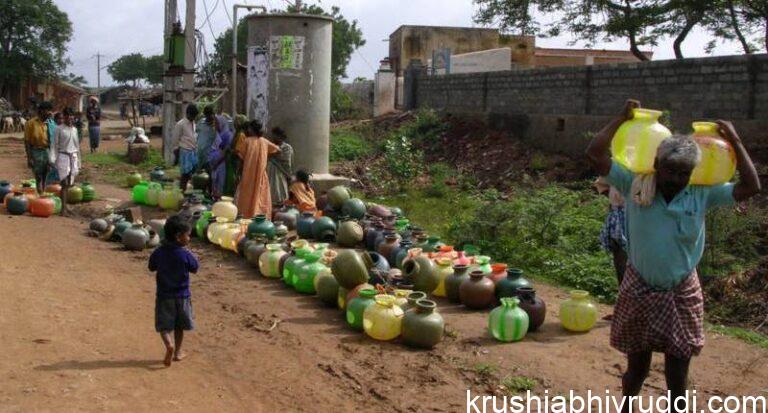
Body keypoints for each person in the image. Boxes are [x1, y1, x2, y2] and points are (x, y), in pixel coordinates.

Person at [585, 100, 761, 413]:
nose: (676, 179)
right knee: (636, 368)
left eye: (683, 173)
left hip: (682, 290)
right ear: (655, 163)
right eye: (670, 170)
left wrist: (734, 139)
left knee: (678, 374)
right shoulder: (635, 185)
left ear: (693, 173)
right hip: (639, 284)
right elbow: (595, 154)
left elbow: (752, 186)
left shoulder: (701, 193)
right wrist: (620, 118)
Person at [148, 216, 199, 367]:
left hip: (164, 296)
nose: (189, 238)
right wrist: (190, 254)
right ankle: (177, 352)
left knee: (164, 327)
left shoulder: (159, 252)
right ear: (178, 237)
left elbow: (151, 267)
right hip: (182, 297)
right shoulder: (185, 254)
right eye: (187, 235)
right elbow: (195, 268)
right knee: (179, 326)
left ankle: (168, 345)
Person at [234, 120, 280, 218]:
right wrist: (267, 157)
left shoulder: (247, 141)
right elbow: (278, 150)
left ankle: (246, 218)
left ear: (251, 129)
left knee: (246, 197)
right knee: (260, 197)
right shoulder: (265, 141)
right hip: (261, 175)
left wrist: (237, 173)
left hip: (247, 174)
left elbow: (241, 159)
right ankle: (260, 219)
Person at [594, 177, 628, 286]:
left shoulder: (643, 169)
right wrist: (613, 198)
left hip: (633, 216)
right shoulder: (617, 168)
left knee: (629, 257)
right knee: (619, 253)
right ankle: (623, 291)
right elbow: (601, 184)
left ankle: (626, 292)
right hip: (617, 215)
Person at [50, 107, 82, 216]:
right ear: (64, 117)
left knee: (69, 184)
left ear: (73, 117)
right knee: (64, 184)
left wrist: (79, 161)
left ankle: (66, 207)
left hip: (73, 157)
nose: (69, 118)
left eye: (71, 116)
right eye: (66, 116)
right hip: (63, 157)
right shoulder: (59, 129)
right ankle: (63, 209)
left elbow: (77, 146)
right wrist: (53, 160)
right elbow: (54, 145)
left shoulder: (75, 130)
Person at [23, 102, 53, 194]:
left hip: (47, 151)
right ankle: (40, 194)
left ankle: (43, 193)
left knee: (46, 174)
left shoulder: (50, 123)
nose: (49, 112)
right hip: (36, 151)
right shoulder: (31, 123)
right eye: (47, 110)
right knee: (38, 175)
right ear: (41, 111)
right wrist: (29, 157)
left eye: (50, 110)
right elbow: (27, 141)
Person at [172, 104, 199, 191]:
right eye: (192, 116)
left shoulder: (193, 123)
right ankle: (182, 194)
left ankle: (188, 192)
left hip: (193, 151)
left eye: (195, 116)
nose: (193, 118)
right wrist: (176, 154)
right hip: (185, 152)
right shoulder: (180, 124)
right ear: (187, 114)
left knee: (193, 174)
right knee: (185, 175)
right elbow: (175, 140)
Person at [267, 127, 294, 209]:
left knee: (279, 193)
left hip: (280, 173)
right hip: (270, 172)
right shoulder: (272, 146)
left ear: (280, 136)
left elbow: (287, 163)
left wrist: (289, 175)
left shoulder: (286, 148)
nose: (272, 137)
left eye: (274, 135)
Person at [208, 115, 234, 200]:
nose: (216, 124)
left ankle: (220, 202)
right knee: (214, 181)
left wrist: (217, 162)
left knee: (220, 182)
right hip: (215, 162)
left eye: (217, 123)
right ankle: (215, 199)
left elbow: (226, 150)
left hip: (221, 162)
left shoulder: (227, 135)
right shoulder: (217, 133)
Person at [196, 105, 217, 193]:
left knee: (210, 175)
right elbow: (196, 134)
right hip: (200, 153)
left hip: (210, 154)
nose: (209, 117)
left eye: (211, 115)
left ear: (213, 114)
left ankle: (210, 193)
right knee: (199, 175)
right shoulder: (201, 123)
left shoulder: (216, 125)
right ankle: (201, 194)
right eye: (207, 115)